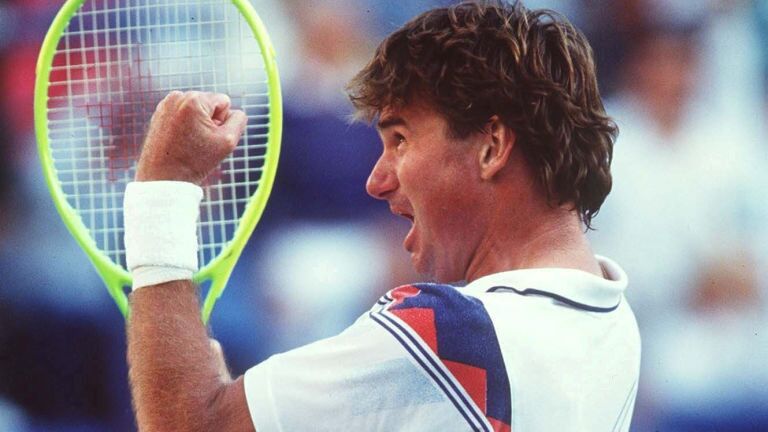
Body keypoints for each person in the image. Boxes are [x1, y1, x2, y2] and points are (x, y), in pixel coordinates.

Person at [125, 2, 640, 431]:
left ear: (491, 147)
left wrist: (163, 186)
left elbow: (187, 425)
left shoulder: (450, 336)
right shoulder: (615, 324)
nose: (376, 180)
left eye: (400, 139)